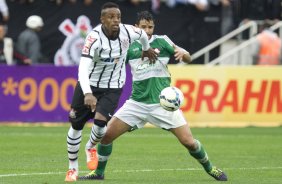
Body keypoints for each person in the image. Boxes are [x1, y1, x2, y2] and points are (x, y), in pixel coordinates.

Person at [79, 11, 227, 181]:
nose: (148, 31)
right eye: (144, 27)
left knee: (189, 142)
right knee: (105, 137)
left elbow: (187, 57)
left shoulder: (162, 41)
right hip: (137, 104)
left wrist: (183, 55)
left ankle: (210, 168)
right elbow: (114, 63)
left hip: (163, 105)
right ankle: (98, 173)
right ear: (136, 27)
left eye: (150, 27)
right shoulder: (128, 46)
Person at [64, 3, 158, 182]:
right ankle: (72, 168)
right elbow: (83, 68)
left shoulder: (129, 31)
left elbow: (143, 35)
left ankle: (90, 147)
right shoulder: (93, 38)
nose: (116, 20)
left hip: (113, 85)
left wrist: (146, 49)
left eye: (118, 17)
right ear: (102, 19)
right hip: (89, 85)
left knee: (100, 124)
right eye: (111, 17)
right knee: (76, 126)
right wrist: (87, 93)